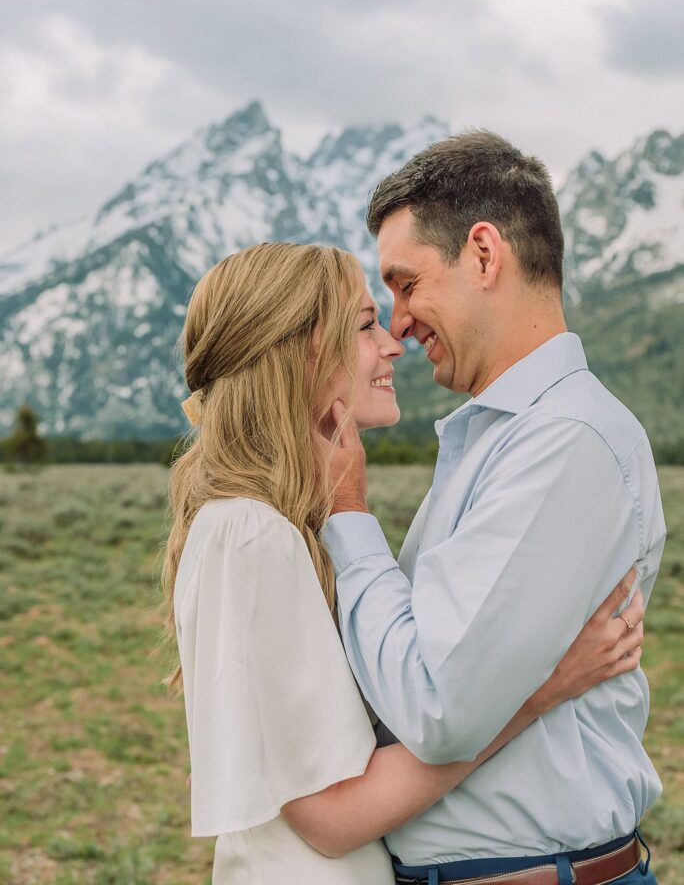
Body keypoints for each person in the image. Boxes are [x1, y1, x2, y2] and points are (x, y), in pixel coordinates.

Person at [162, 241, 646, 885]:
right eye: (364, 325)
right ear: (296, 351)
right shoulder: (251, 532)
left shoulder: (280, 526)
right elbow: (330, 818)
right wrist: (538, 692)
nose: (393, 341)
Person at [321, 132, 665, 885]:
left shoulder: (564, 442)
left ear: (484, 254)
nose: (399, 324)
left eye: (406, 284)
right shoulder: (499, 438)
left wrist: (347, 512)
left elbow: (438, 708)